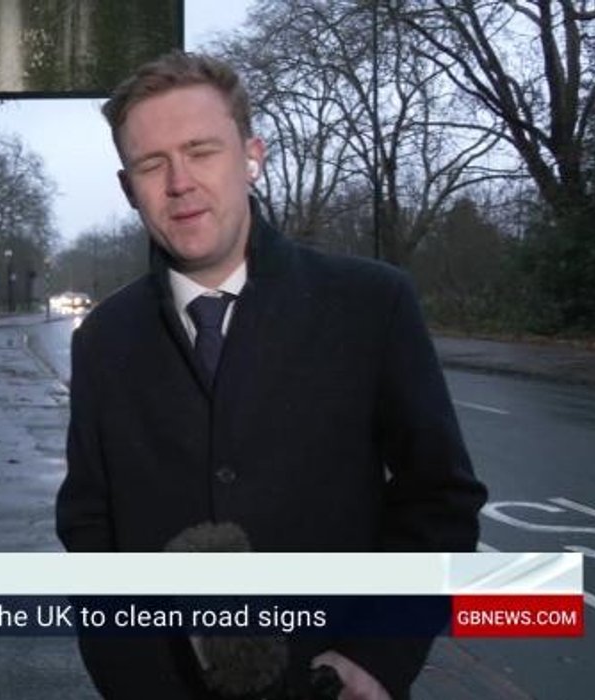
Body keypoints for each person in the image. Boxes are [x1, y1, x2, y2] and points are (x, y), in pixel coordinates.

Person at [55, 51, 487, 700]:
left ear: (250, 156)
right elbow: (90, 525)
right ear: (128, 188)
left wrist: (378, 657)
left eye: (201, 150)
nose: (179, 182)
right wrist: (124, 669)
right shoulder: (103, 340)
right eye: (152, 164)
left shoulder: (369, 305)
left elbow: (440, 500)